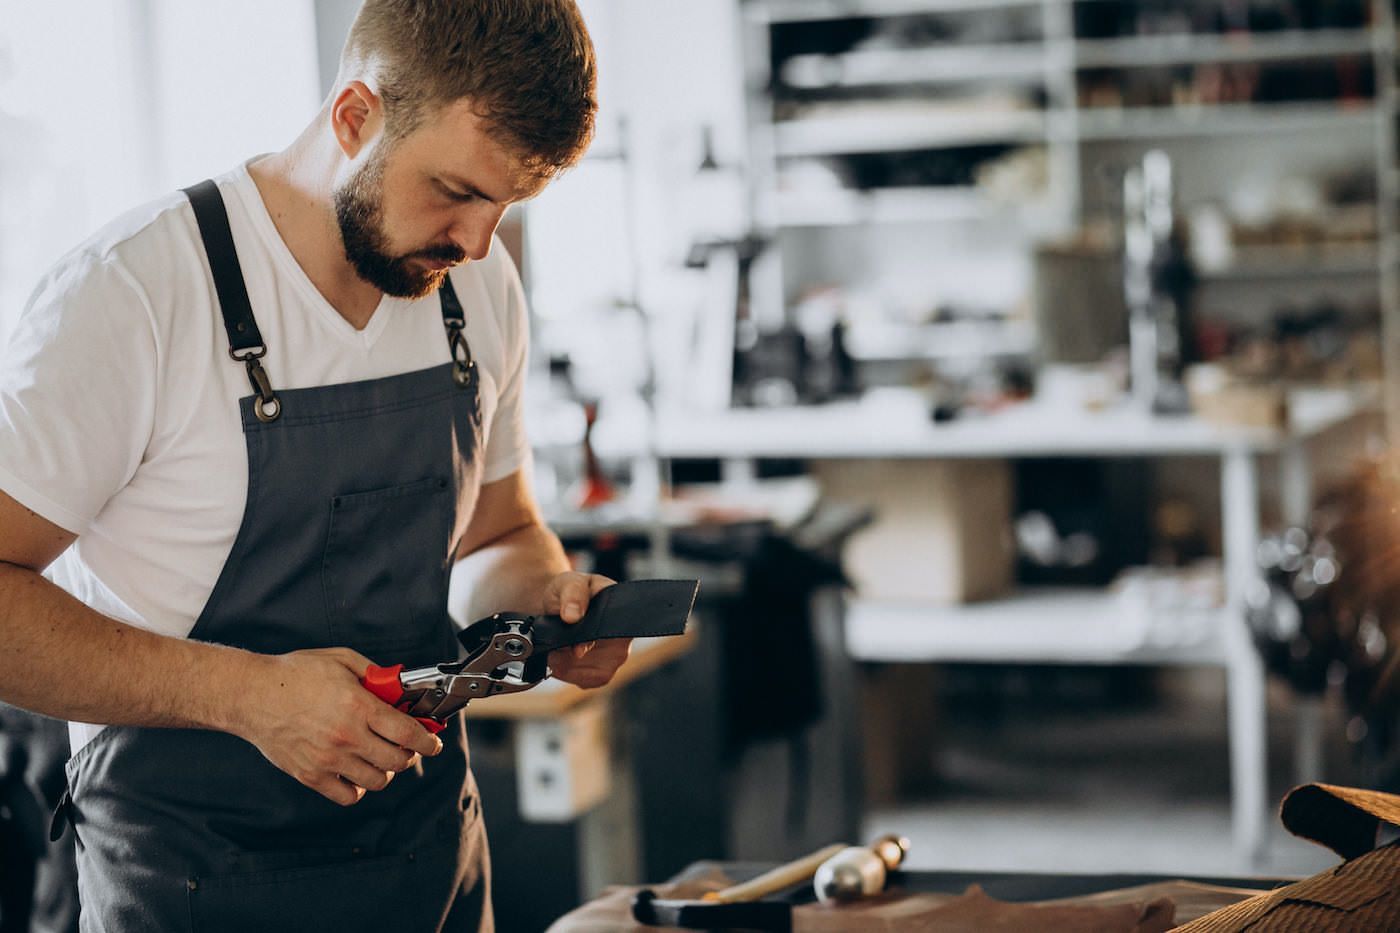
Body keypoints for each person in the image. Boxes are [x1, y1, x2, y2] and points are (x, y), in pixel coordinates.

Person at [0, 2, 623, 930]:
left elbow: (498, 535)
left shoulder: (476, 288)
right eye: (455, 191)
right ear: (355, 116)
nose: (478, 242)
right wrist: (247, 696)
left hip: (426, 870)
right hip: (192, 885)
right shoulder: (135, 292)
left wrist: (545, 604)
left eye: (505, 205)